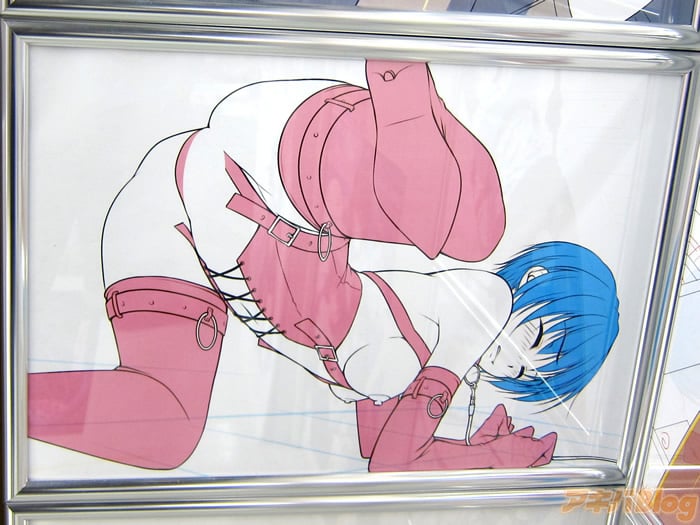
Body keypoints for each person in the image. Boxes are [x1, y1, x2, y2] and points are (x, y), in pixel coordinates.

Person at [27, 61, 618, 472]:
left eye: (526, 372)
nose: (507, 360)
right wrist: (483, 459)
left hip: (190, 214)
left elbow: (381, 454)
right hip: (258, 211)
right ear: (532, 279)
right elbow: (395, 460)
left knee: (163, 430)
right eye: (534, 337)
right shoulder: (483, 302)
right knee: (469, 231)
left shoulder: (417, 357)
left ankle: (402, 124)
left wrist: (475, 455)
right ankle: (401, 123)